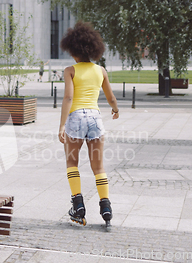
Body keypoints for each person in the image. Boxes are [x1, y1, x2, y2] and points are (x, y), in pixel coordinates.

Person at [58, 21, 119, 229]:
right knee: (98, 167)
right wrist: (116, 109)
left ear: (73, 50)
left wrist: (61, 126)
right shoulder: (100, 70)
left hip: (75, 118)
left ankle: (78, 205)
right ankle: (106, 207)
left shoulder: (70, 71)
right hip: (95, 118)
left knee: (72, 164)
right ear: (93, 49)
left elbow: (68, 98)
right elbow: (110, 97)